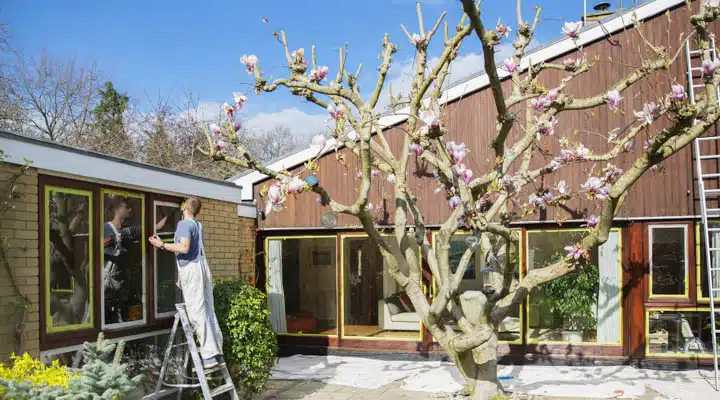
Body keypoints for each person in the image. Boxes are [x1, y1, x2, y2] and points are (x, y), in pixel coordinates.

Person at [148, 197, 225, 369]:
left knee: (196, 312)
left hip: (192, 269)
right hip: (202, 268)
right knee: (208, 310)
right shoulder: (198, 225)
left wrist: (161, 245)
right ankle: (217, 351)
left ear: (184, 208)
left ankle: (209, 356)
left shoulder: (184, 224)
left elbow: (184, 248)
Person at [103, 196, 142, 324]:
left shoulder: (128, 231)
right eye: (127, 207)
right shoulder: (105, 229)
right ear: (118, 210)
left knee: (122, 316)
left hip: (122, 285)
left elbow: (153, 228)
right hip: (107, 284)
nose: (130, 210)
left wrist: (170, 214)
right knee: (105, 315)